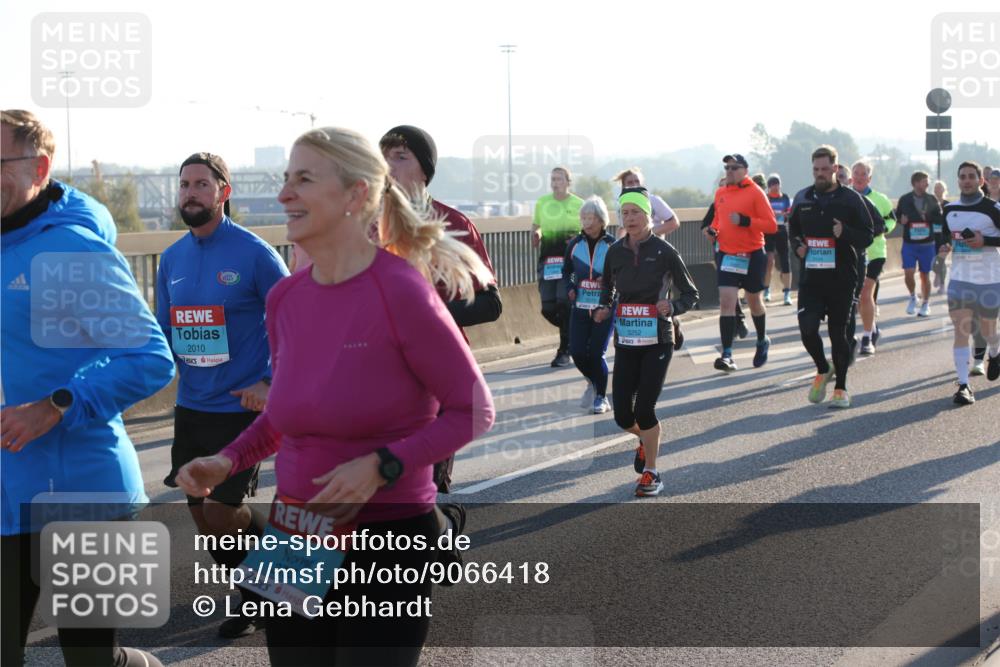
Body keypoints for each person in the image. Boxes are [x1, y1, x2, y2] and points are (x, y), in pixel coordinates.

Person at [175, 126, 495, 665]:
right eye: (286, 179)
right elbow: (286, 414)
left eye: (303, 179)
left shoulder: (401, 290)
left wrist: (383, 465)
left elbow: (473, 410)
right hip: (295, 531)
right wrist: (227, 460)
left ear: (355, 194)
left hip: (386, 535)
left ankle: (439, 527)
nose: (284, 195)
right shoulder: (284, 299)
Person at [1, 109, 173, 667]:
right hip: (5, 494)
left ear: (39, 169)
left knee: (89, 658)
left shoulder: (71, 251)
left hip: (80, 493)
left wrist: (56, 406)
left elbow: (149, 358)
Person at [156, 152, 290, 638]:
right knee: (203, 515)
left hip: (241, 408)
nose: (190, 193)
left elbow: (296, 322)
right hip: (192, 406)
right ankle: (262, 584)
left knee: (221, 512)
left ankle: (270, 587)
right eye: (184, 184)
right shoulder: (171, 258)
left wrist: (270, 381)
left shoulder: (255, 254)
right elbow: (164, 331)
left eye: (201, 184)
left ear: (223, 193)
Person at [593, 187, 698, 496]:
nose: (630, 218)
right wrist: (604, 306)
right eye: (625, 213)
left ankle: (652, 472)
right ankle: (646, 439)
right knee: (623, 416)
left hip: (658, 340)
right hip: (627, 340)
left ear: (648, 216)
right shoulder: (615, 252)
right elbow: (607, 287)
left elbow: (691, 294)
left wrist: (673, 307)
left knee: (644, 409)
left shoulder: (665, 252)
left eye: (636, 212)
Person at [788, 145, 875, 408]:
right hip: (812, 278)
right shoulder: (803, 198)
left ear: (835, 169)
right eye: (816, 169)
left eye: (825, 169)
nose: (820, 174)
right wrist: (798, 246)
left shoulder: (850, 199)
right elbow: (792, 230)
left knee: (839, 334)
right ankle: (823, 367)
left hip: (842, 278)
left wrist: (845, 232)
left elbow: (868, 235)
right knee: (807, 329)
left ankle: (841, 388)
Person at [937, 161, 1000, 405]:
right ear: (958, 180)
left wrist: (986, 241)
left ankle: (995, 352)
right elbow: (944, 234)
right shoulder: (949, 209)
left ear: (980, 181)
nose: (966, 180)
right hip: (960, 279)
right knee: (961, 330)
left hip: (989, 279)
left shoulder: (992, 208)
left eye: (971, 176)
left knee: (987, 330)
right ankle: (964, 386)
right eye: (962, 176)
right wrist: (944, 245)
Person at [708, 154, 777, 372]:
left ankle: (762, 340)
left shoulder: (755, 192)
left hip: (752, 254)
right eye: (727, 167)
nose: (729, 171)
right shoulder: (720, 193)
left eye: (734, 167)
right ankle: (727, 355)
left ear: (745, 170)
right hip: (728, 255)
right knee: (726, 302)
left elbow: (771, 225)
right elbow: (717, 220)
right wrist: (713, 230)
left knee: (754, 301)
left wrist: (746, 221)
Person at [562, 196, 616, 414]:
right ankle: (594, 382)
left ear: (601, 219)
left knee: (595, 353)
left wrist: (608, 280)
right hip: (581, 306)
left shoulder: (612, 245)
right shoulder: (575, 244)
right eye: (583, 218)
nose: (586, 222)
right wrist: (570, 287)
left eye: (590, 217)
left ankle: (601, 397)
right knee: (577, 352)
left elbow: (622, 273)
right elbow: (567, 271)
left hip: (604, 306)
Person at [533, 167, 584, 367]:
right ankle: (576, 331)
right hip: (548, 261)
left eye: (559, 179)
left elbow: (588, 229)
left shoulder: (579, 204)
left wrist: (577, 239)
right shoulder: (542, 203)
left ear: (568, 182)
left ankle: (564, 350)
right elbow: (537, 225)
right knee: (548, 309)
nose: (555, 183)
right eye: (553, 179)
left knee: (564, 305)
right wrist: (536, 234)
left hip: (569, 262)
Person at [852, 160, 897, 356]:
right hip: (853, 253)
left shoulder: (880, 199)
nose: (859, 177)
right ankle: (873, 328)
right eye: (856, 173)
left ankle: (867, 338)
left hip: (875, 252)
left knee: (865, 292)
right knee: (856, 298)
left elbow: (892, 219)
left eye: (864, 174)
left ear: (869, 178)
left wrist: (884, 228)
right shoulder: (846, 197)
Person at [702, 177, 749, 338]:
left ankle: (742, 320)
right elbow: (704, 226)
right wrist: (710, 233)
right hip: (722, 253)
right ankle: (737, 322)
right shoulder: (715, 205)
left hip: (742, 252)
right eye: (721, 187)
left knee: (743, 289)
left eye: (727, 186)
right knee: (729, 289)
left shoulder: (742, 204)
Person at [897, 170, 944, 317]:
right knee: (908, 272)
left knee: (925, 275)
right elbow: (897, 216)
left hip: (927, 244)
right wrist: (901, 220)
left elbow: (940, 218)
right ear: (915, 183)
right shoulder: (905, 199)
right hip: (909, 243)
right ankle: (913, 297)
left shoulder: (931, 199)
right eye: (924, 181)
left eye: (928, 181)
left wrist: (927, 217)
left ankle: (925, 304)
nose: (927, 184)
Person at [612, 167, 679, 237]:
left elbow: (674, 222)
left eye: (637, 181)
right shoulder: (621, 204)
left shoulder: (653, 200)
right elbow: (623, 228)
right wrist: (619, 241)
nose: (634, 185)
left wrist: (647, 233)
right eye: (630, 182)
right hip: (633, 243)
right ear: (624, 186)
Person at [764, 174, 793, 305]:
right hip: (769, 231)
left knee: (785, 260)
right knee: (769, 260)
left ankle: (787, 293)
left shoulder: (785, 197)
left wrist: (785, 214)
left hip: (781, 230)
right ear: (769, 187)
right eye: (772, 185)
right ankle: (766, 290)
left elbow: (789, 212)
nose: (775, 187)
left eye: (777, 184)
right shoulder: (766, 198)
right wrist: (773, 214)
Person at [933, 179, 951, 295]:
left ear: (944, 190)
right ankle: (937, 273)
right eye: (936, 188)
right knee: (935, 261)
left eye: (940, 188)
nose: (938, 190)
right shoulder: (930, 203)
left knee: (941, 260)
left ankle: (942, 285)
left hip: (945, 237)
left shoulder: (948, 205)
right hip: (933, 237)